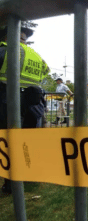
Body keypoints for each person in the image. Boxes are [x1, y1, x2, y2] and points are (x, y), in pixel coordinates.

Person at [0, 25, 50, 194]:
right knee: (26, 143)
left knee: (9, 144)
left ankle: (11, 183)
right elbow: (42, 77)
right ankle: (27, 175)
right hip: (32, 105)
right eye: (23, 39)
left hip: (8, 104)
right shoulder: (34, 56)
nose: (24, 42)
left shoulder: (4, 51)